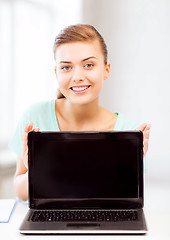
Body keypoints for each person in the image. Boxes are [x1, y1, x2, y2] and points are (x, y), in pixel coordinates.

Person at [9, 24, 151, 201]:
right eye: (66, 67)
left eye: (88, 65)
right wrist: (36, 170)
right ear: (56, 73)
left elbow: (124, 201)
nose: (77, 76)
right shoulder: (34, 118)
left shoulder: (129, 130)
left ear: (106, 70)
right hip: (49, 222)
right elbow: (20, 192)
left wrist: (130, 165)